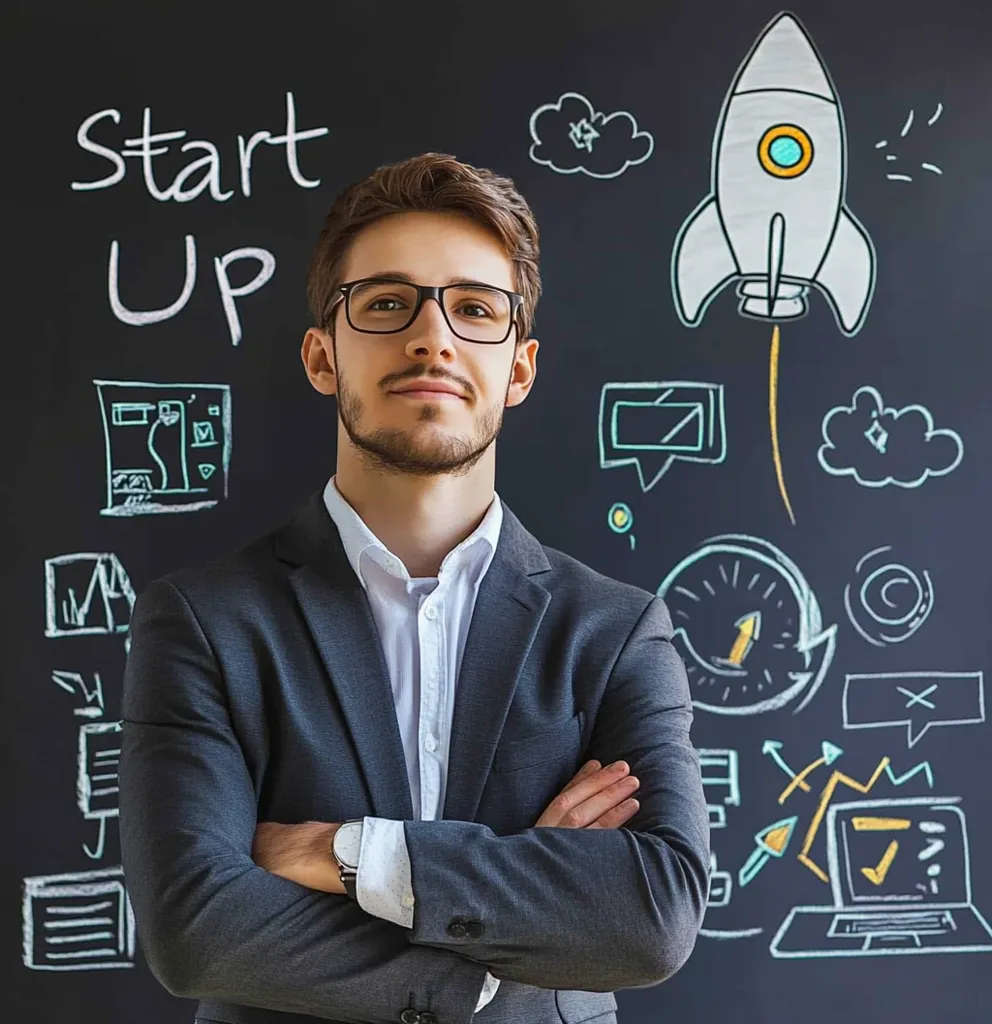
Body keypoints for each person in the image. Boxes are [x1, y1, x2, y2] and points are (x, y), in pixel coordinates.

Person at [119, 152, 710, 1024]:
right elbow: (197, 930)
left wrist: (356, 855)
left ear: (519, 369)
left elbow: (652, 919)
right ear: (324, 357)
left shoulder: (616, 632)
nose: (431, 336)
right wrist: (509, 932)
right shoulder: (204, 623)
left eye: (474, 308)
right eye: (387, 304)